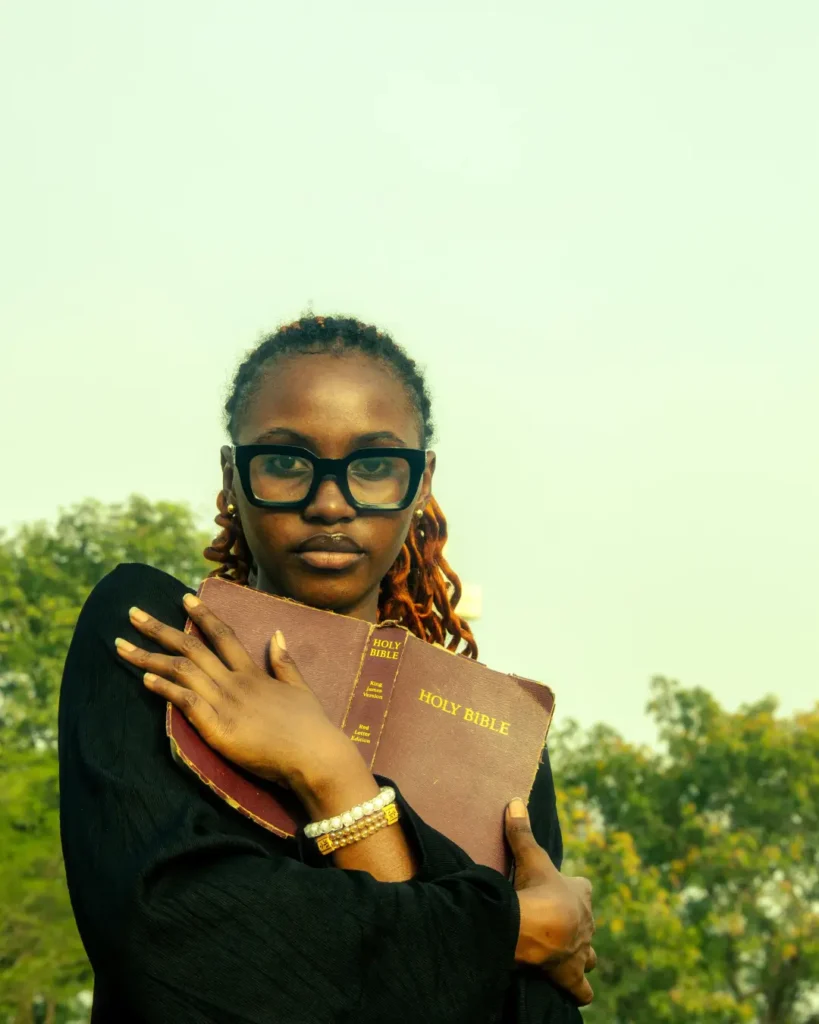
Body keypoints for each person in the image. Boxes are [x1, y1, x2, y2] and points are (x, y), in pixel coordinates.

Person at [59, 315, 595, 1023]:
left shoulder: (492, 737)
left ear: (421, 480)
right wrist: (507, 930)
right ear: (232, 476)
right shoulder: (162, 639)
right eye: (284, 462)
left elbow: (531, 1015)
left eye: (374, 465)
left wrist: (331, 778)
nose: (330, 503)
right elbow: (171, 946)